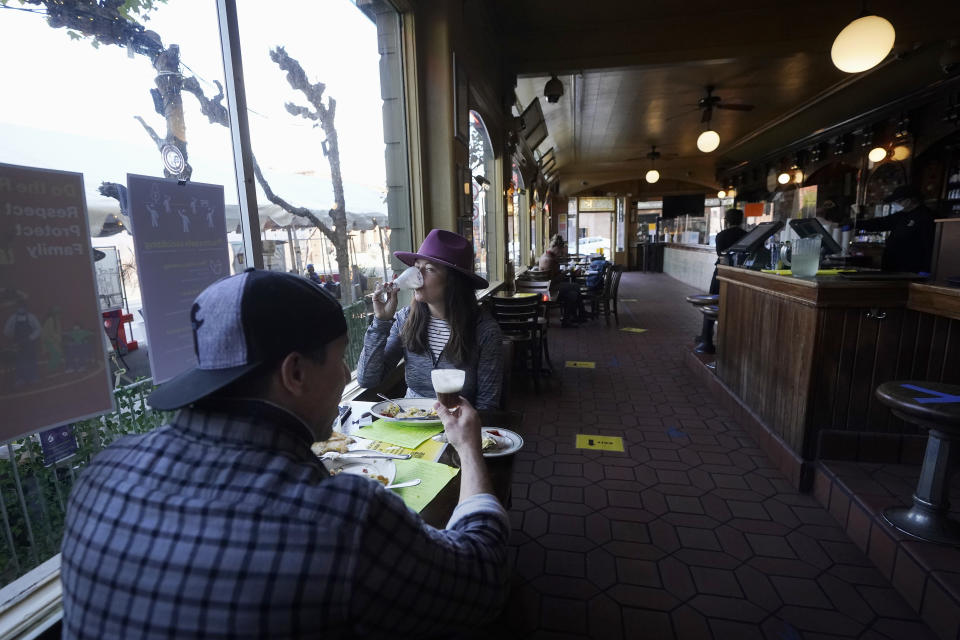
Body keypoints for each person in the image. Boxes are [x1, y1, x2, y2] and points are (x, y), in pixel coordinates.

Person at [60, 269, 509, 639]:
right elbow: (482, 577)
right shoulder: (341, 519)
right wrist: (469, 450)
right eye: (338, 360)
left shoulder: (99, 475)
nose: (347, 374)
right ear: (294, 372)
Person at [357, 229, 503, 410]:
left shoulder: (484, 331)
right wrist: (380, 322)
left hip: (457, 427)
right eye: (416, 268)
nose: (417, 276)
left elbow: (487, 405)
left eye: (429, 269)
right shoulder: (404, 319)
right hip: (409, 425)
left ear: (454, 281)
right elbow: (368, 379)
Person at [856, 185, 936, 273]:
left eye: (897, 202)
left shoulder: (927, 217)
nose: (895, 204)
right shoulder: (901, 215)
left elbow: (930, 245)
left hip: (911, 269)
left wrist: (926, 269)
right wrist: (856, 224)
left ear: (908, 201)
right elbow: (880, 223)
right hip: (892, 266)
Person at [710, 208, 748, 294]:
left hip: (723, 269)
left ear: (727, 221)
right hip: (741, 271)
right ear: (741, 220)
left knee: (718, 297)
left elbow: (719, 253)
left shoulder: (721, 235)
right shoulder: (746, 235)